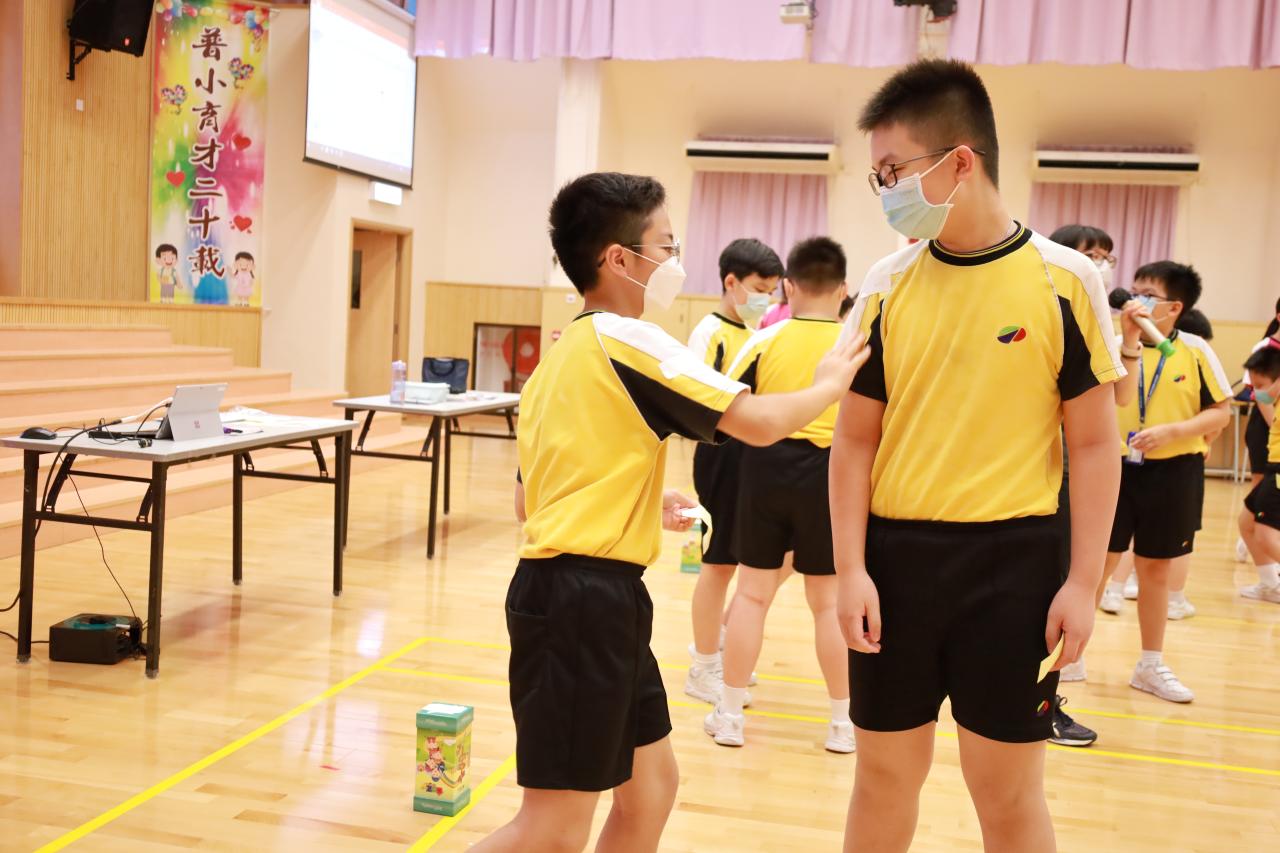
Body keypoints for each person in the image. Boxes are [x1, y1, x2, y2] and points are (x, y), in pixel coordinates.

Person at [475, 172, 866, 853]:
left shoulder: (563, 356)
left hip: (594, 599)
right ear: (618, 258)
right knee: (552, 828)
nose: (676, 259)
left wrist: (639, 499)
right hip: (580, 603)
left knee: (652, 789)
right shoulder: (630, 339)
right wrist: (830, 383)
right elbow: (757, 421)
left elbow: (528, 498)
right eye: (666, 243)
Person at [832, 59, 1123, 852]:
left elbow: (1095, 443)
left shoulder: (1065, 281)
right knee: (882, 779)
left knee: (1008, 790)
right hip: (895, 565)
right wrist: (851, 568)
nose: (886, 190)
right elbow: (853, 440)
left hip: (1015, 570)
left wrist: (1084, 583)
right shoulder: (885, 285)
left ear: (961, 161)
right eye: (878, 176)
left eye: (894, 171)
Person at [704, 237, 855, 753]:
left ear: (788, 287)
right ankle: (842, 724)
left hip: (765, 468)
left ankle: (729, 717)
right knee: (827, 603)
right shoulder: (856, 345)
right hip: (831, 476)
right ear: (843, 289)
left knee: (752, 594)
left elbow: (722, 406)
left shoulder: (764, 339)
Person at [1101, 261, 1229, 704]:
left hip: (1174, 471)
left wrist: (1174, 431)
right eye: (1134, 290)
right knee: (1099, 562)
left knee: (1155, 568)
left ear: (1174, 307)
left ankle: (1150, 664)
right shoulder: (1113, 342)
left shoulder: (1194, 349)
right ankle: (1071, 660)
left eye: (1148, 294)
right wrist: (1129, 343)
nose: (1136, 300)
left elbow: (1220, 412)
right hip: (1116, 468)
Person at [1044, 224, 1142, 748]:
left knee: (1073, 580)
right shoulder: (1049, 303)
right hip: (1038, 473)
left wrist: (1130, 340)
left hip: (1077, 472)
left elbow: (1122, 397)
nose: (1101, 264)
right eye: (1091, 254)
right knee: (1046, 588)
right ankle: (1041, 702)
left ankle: (1045, 698)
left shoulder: (1098, 311)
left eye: (1107, 255)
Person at [684, 238, 785, 705]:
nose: (767, 298)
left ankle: (723, 645)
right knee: (719, 564)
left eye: (772, 290)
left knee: (760, 562)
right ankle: (703, 666)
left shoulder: (760, 331)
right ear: (731, 282)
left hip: (756, 458)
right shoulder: (710, 332)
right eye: (760, 289)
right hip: (721, 457)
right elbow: (697, 402)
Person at [1236, 297, 1280, 586]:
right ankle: (1269, 583)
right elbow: (1261, 396)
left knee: (1265, 531)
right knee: (1248, 520)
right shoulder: (1266, 349)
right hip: (1268, 442)